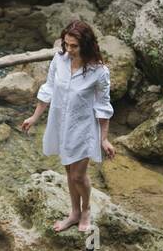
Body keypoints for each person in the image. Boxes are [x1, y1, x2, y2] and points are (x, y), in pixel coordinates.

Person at [19, 19, 115, 232]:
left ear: (86, 45)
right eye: (66, 44)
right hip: (61, 123)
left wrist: (104, 138)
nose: (68, 49)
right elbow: (49, 89)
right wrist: (34, 117)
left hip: (83, 127)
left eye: (74, 46)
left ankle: (87, 209)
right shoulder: (59, 60)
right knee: (68, 171)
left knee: (78, 175)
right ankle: (74, 213)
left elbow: (103, 105)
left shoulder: (99, 72)